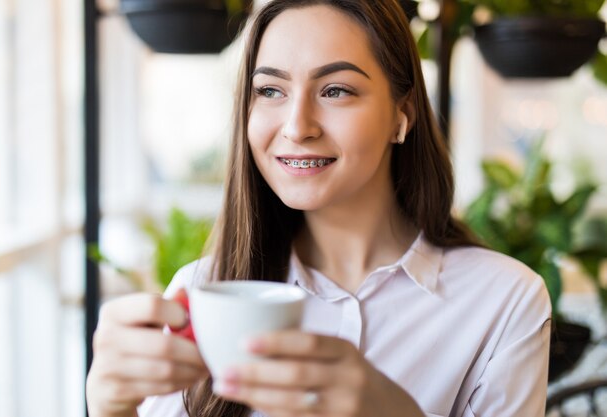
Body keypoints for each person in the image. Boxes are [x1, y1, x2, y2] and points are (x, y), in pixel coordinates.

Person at [86, 0, 552, 416]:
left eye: (336, 90)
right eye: (270, 91)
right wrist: (109, 409)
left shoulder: (504, 301)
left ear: (401, 115)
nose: (297, 126)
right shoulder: (201, 292)